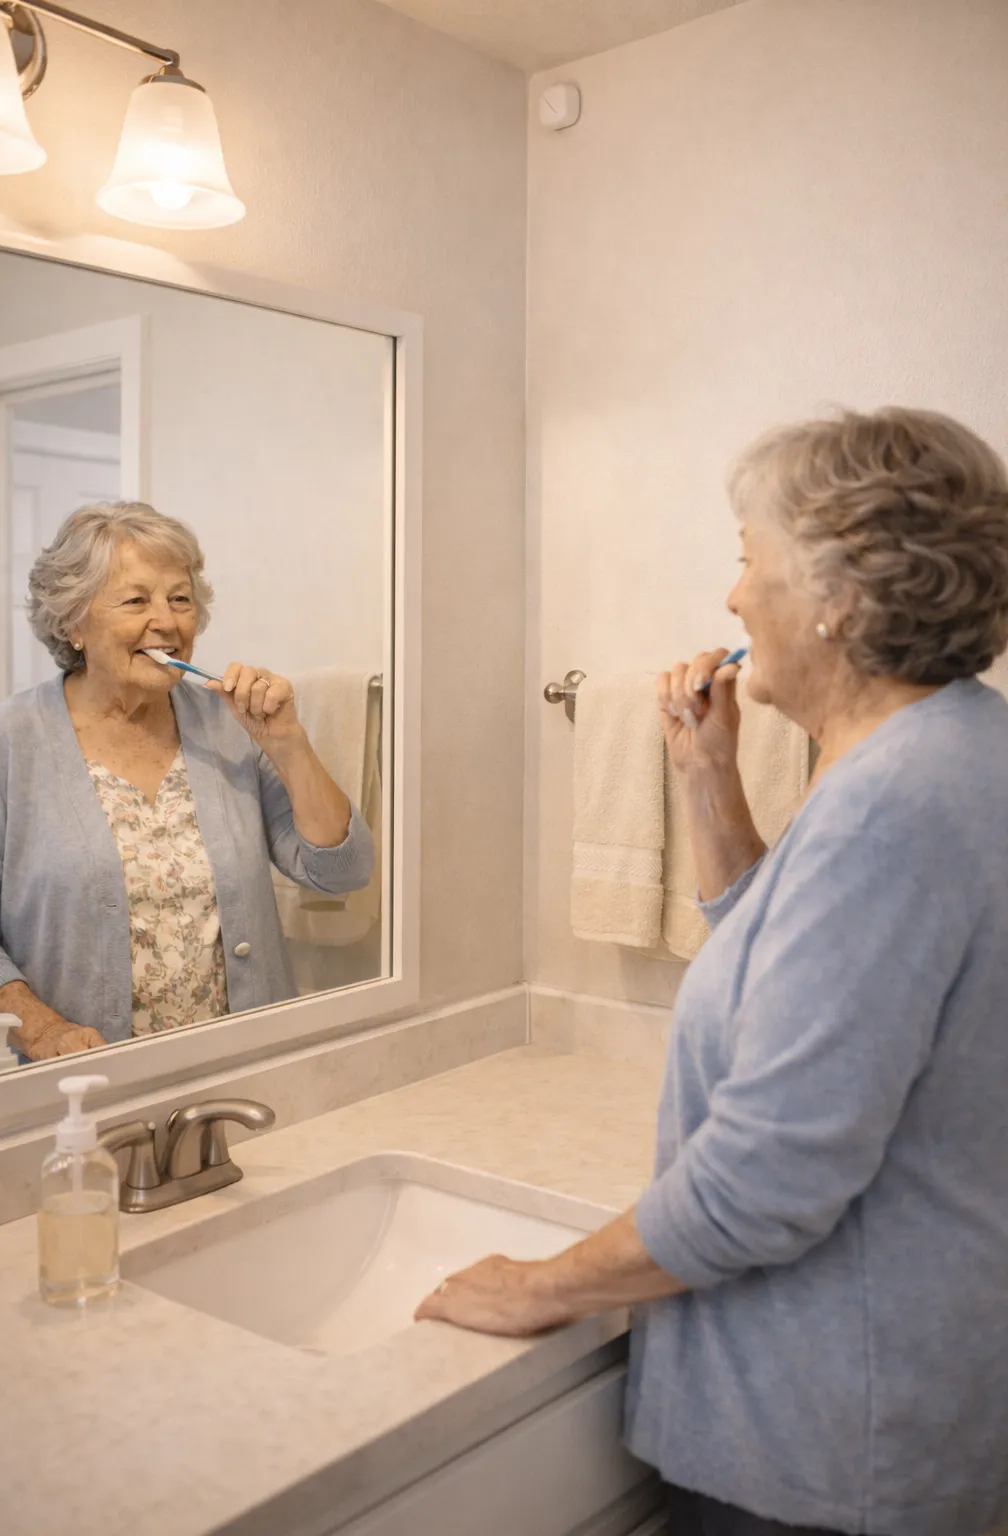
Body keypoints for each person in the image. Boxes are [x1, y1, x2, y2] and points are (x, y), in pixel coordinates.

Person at [416, 408, 1008, 1536]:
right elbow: (787, 951)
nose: (733, 598)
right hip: (901, 1389)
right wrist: (703, 773)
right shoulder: (953, 747)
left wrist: (533, 1286)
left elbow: (765, 1183)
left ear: (837, 595)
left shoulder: (890, 805)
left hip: (825, 1443)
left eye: (748, 560)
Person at [0, 501, 373, 1059]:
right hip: (80, 1090)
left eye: (180, 599)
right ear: (73, 622)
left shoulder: (231, 727)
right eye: (137, 600)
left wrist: (288, 744)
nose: (167, 621)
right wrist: (43, 1030)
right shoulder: (5, 742)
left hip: (242, 1072)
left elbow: (342, 872)